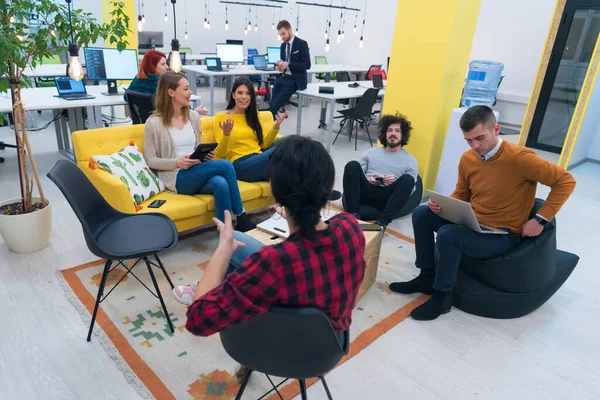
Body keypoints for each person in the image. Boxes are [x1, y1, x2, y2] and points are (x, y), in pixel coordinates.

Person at [389, 105, 576, 320]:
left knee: (449, 236)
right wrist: (445, 205)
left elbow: (565, 181)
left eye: (480, 138)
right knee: (422, 214)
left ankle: (442, 297)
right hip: (474, 223)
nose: (475, 146)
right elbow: (461, 192)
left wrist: (540, 220)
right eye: (469, 140)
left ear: (496, 130)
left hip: (504, 234)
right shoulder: (468, 159)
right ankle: (426, 276)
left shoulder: (520, 158)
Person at [173, 136, 367, 341]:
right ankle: (223, 288)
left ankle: (215, 292)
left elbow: (197, 321)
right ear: (331, 187)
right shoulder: (350, 227)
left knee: (231, 243)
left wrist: (222, 249)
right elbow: (313, 253)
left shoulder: (271, 263)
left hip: (277, 348)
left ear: (273, 189)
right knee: (238, 238)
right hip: (332, 344)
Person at [144, 71, 255, 232]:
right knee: (225, 166)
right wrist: (177, 162)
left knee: (221, 184)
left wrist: (205, 155)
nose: (190, 93)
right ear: (171, 92)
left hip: (197, 169)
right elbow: (151, 160)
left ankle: (227, 234)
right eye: (186, 89)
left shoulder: (193, 116)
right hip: (177, 176)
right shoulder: (153, 123)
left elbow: (198, 147)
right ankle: (241, 215)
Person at [342, 112, 418, 229]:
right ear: (385, 133)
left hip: (387, 198)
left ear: (403, 135)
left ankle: (382, 222)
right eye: (390, 130)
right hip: (366, 191)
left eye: (397, 131)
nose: (393, 134)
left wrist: (394, 183)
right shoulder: (370, 153)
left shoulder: (410, 160)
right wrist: (369, 180)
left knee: (408, 179)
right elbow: (355, 179)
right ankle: (353, 215)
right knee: (352, 165)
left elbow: (410, 190)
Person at [214, 77, 288, 182]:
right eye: (240, 93)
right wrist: (226, 134)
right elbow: (220, 154)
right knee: (287, 148)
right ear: (233, 95)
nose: (244, 97)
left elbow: (263, 145)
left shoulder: (254, 115)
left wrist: (275, 126)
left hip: (258, 159)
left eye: (248, 93)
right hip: (240, 165)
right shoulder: (222, 117)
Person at [128, 49, 208, 115]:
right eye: (163, 64)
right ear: (152, 66)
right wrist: (194, 111)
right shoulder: (161, 86)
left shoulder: (137, 79)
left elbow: (127, 96)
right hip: (162, 125)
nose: (167, 67)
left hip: (142, 125)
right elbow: (174, 111)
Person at [268, 20, 311, 118]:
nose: (282, 37)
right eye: (280, 35)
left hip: (294, 80)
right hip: (283, 77)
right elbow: (284, 62)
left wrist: (288, 65)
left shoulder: (302, 44)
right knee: (272, 103)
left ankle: (267, 123)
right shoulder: (283, 46)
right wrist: (280, 66)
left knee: (273, 107)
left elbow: (307, 64)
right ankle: (271, 123)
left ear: (290, 30)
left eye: (283, 34)